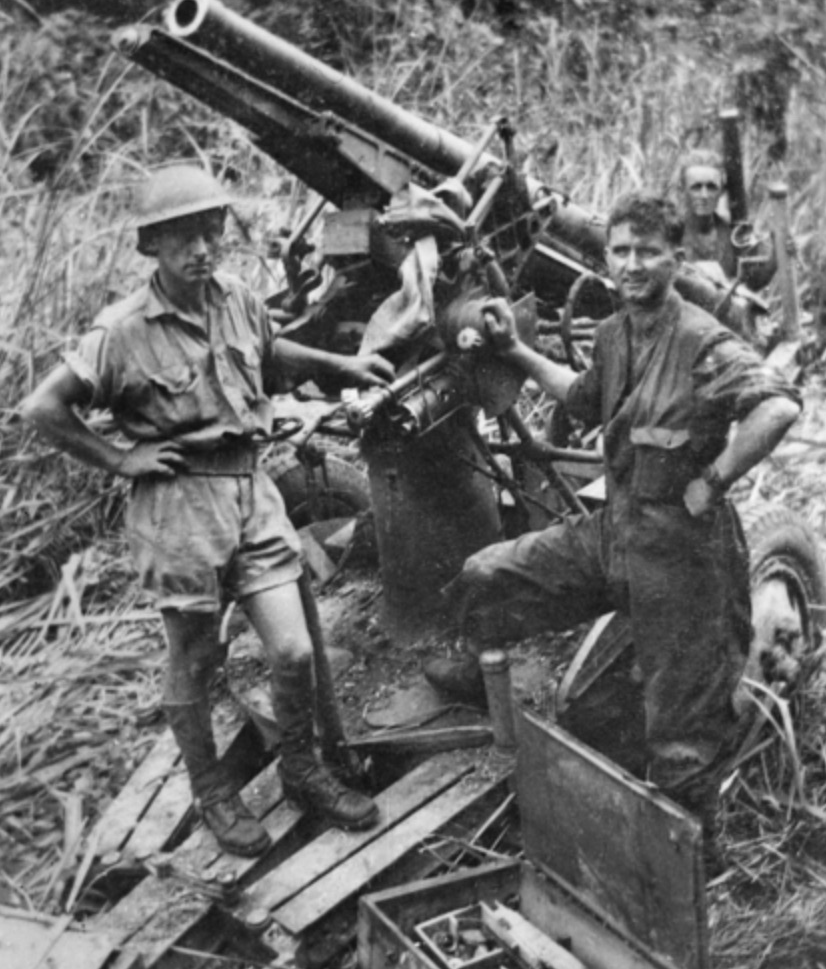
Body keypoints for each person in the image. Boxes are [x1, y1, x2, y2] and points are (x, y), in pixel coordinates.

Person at [20, 164, 395, 856]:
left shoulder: (236, 297)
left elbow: (269, 350)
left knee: (293, 647)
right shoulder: (122, 331)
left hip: (252, 492)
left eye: (210, 231)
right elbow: (43, 407)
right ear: (153, 246)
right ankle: (214, 792)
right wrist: (119, 459)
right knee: (194, 660)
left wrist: (339, 367)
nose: (202, 248)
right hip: (179, 507)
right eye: (184, 236)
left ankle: (302, 770)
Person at [426, 191, 800, 858]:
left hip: (683, 556)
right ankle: (485, 693)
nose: (632, 264)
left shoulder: (702, 341)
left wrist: (712, 481)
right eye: (621, 251)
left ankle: (694, 863)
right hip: (615, 531)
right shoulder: (612, 331)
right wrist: (514, 349)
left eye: (648, 253)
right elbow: (580, 396)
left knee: (679, 743)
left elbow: (777, 409)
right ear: (607, 259)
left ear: (675, 259)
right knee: (488, 577)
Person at [679, 147, 775, 291]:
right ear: (683, 190)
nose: (704, 195)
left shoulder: (732, 233)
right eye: (696, 187)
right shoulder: (671, 231)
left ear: (721, 191)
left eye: (711, 187)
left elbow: (753, 283)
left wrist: (777, 255)